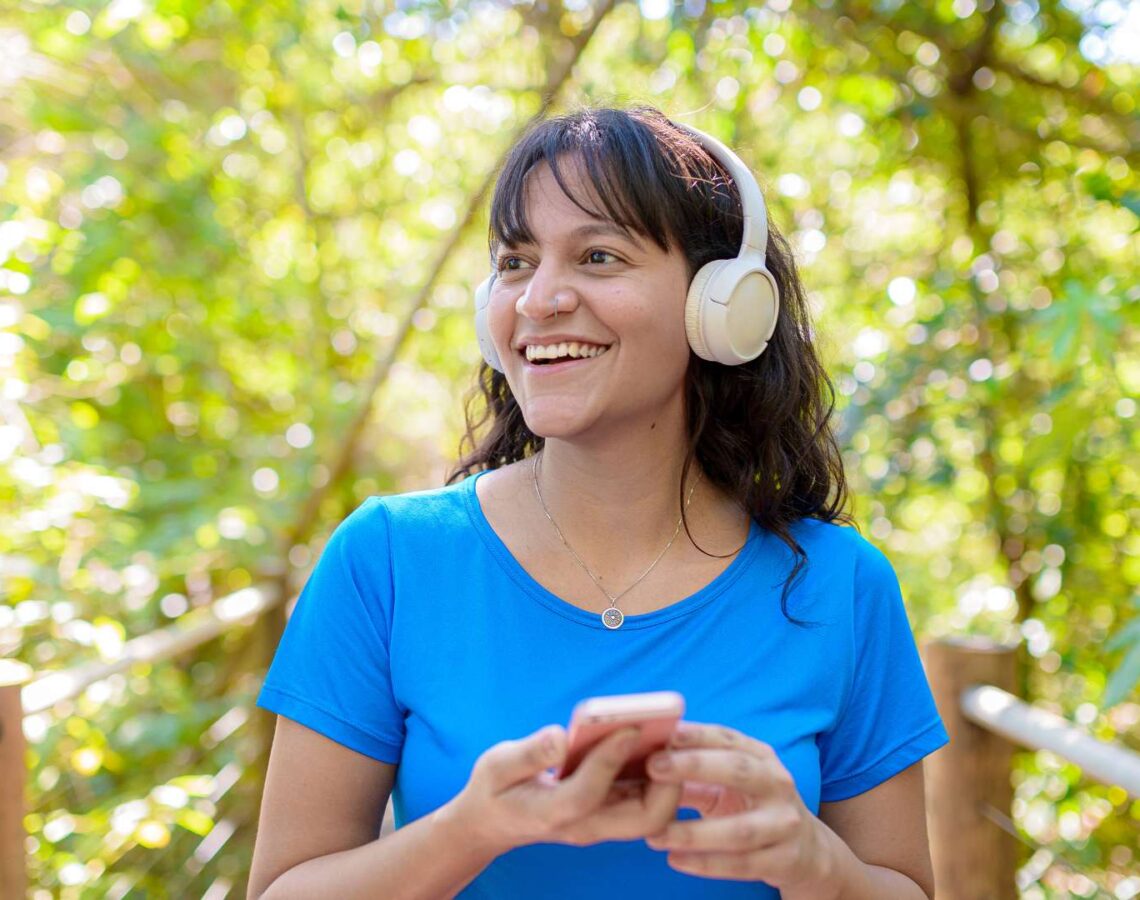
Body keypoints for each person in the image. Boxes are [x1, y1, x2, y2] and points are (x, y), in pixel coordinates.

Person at [247, 105, 949, 899]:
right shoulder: (386, 560)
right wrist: (470, 830)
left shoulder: (840, 585)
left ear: (721, 304)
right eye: (515, 262)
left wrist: (815, 865)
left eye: (599, 256)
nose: (540, 299)